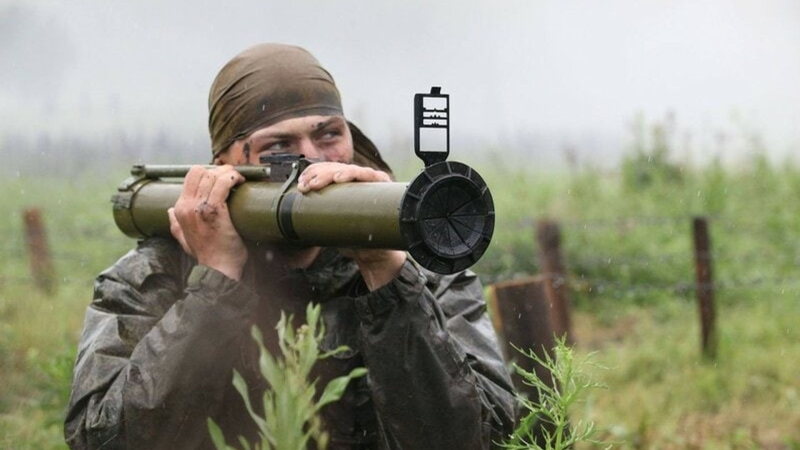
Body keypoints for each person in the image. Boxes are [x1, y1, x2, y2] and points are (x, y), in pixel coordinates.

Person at [65, 43, 515, 450]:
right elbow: (105, 439)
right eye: (279, 146)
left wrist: (389, 278)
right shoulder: (157, 275)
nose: (313, 161)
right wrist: (216, 284)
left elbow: (479, 440)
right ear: (225, 165)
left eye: (328, 135)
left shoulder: (419, 271)